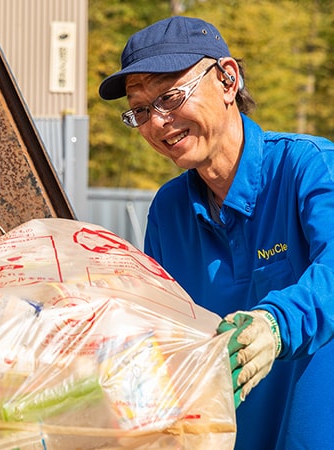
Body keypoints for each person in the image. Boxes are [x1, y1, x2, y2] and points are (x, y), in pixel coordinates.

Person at [98, 15, 334, 450]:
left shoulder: (308, 167)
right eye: (141, 110)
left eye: (170, 96)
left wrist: (274, 325)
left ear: (228, 79)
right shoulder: (169, 211)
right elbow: (163, 337)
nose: (157, 122)